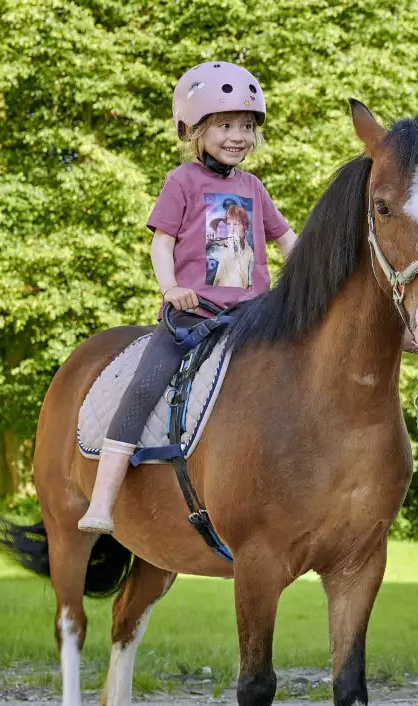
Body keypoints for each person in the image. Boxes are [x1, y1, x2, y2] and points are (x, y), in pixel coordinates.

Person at [78, 61, 297, 535]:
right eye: (223, 125)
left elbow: (287, 240)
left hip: (252, 319)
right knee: (143, 387)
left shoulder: (253, 187)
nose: (237, 136)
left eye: (246, 126)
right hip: (192, 315)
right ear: (193, 130)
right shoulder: (182, 181)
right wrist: (170, 288)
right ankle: (102, 500)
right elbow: (162, 242)